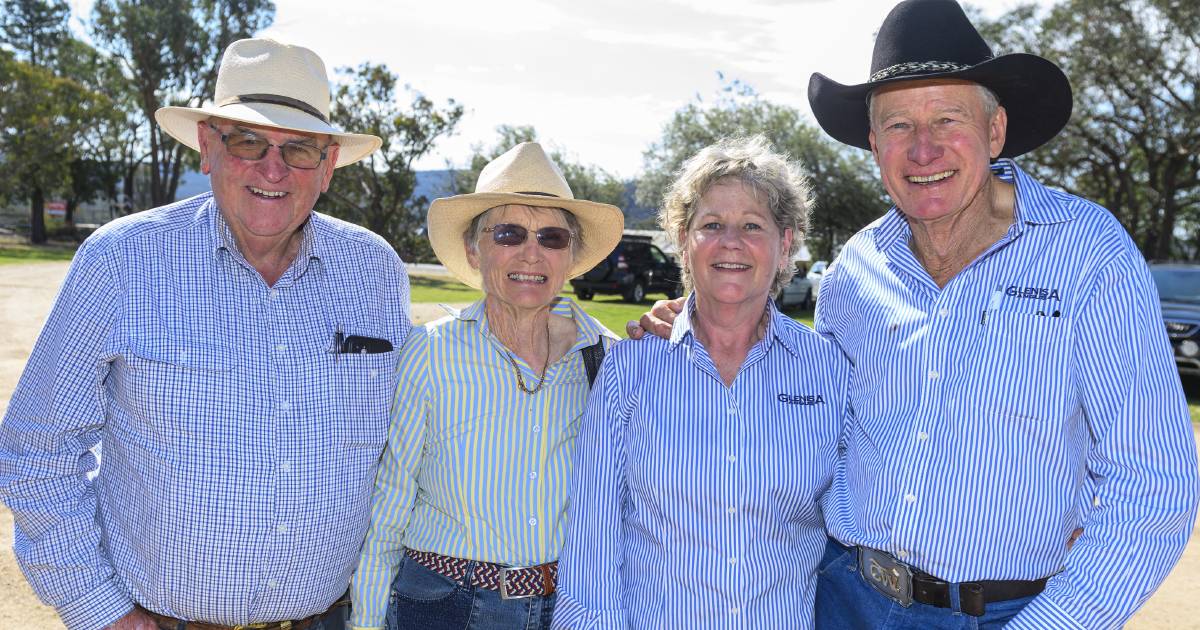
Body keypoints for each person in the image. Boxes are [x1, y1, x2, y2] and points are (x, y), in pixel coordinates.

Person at [633, 1, 1199, 627]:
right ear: (875, 146)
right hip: (847, 598)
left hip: (1008, 613)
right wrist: (703, 324)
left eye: (948, 118)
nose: (923, 148)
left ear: (995, 130)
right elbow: (810, 423)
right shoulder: (855, 270)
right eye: (899, 126)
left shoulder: (1088, 253)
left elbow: (1153, 485)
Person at [0, 38, 410, 630]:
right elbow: (37, 450)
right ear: (206, 146)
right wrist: (100, 611)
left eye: (298, 149)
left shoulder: (373, 270)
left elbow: (397, 454)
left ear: (327, 167)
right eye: (247, 141)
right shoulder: (121, 260)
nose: (273, 169)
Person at [552, 137, 848, 629]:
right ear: (684, 242)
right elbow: (592, 535)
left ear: (785, 244)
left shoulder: (828, 371)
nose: (731, 241)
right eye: (711, 225)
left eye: (753, 225)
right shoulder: (632, 369)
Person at [348, 142, 623, 630]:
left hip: (566, 608)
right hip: (443, 605)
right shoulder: (430, 353)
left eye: (552, 237)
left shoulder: (609, 357)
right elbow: (389, 505)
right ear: (475, 250)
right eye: (508, 233)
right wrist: (366, 622)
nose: (531, 253)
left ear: (571, 254)